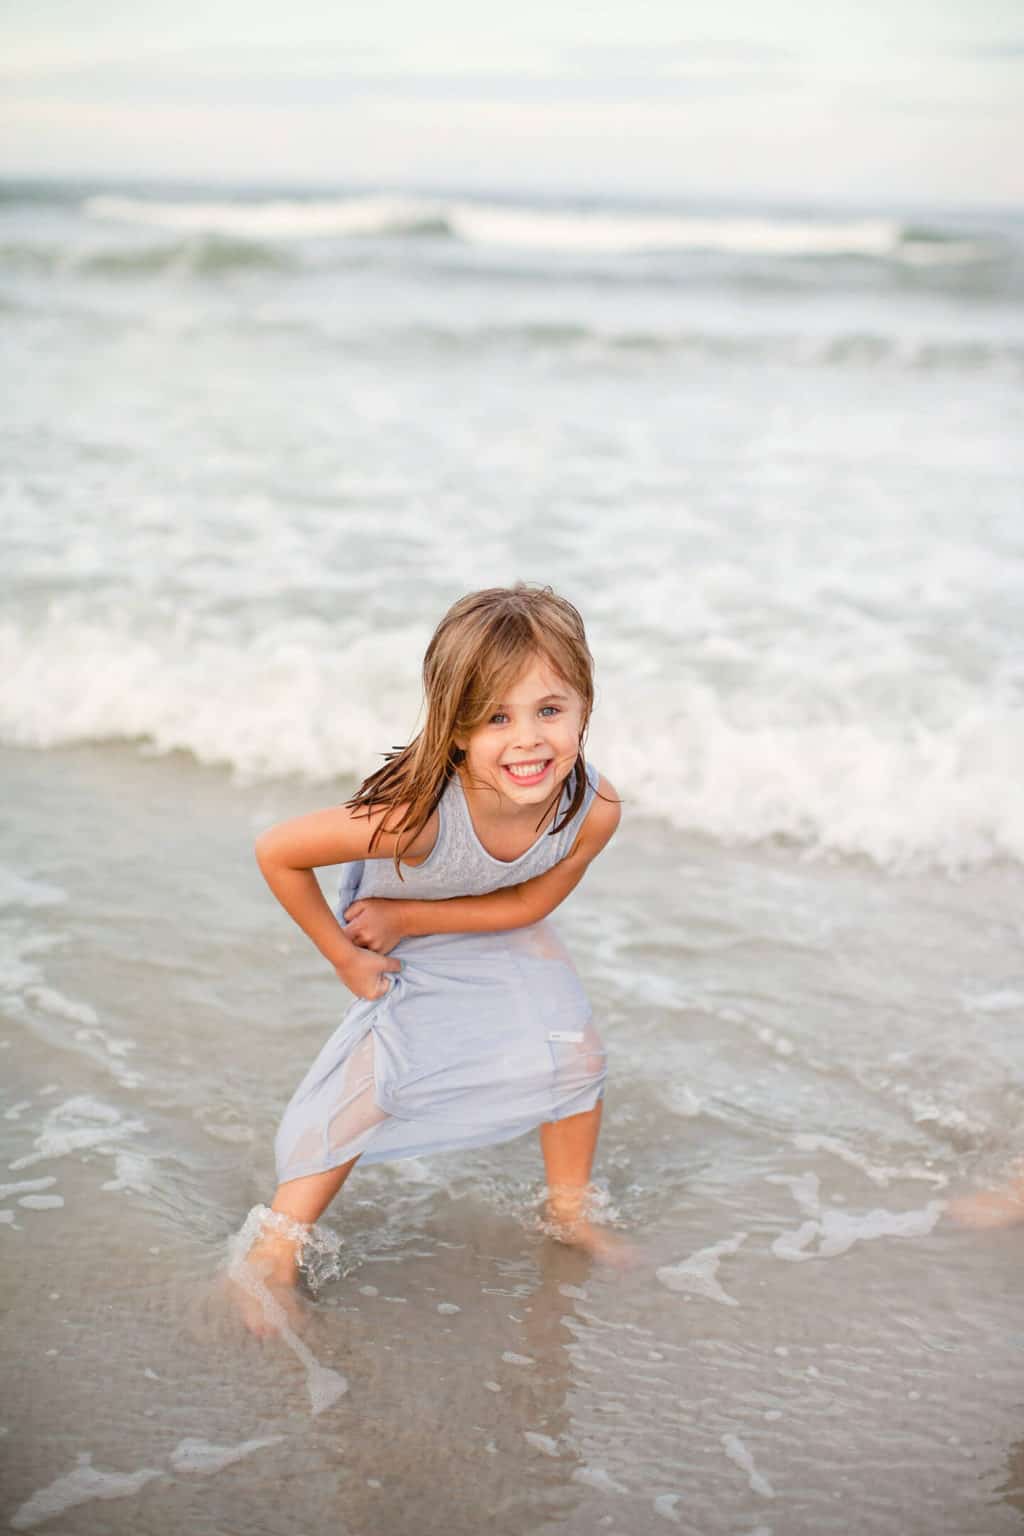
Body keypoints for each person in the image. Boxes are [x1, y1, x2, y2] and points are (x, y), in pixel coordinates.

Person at [224, 583, 627, 1336]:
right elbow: (276, 851)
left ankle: (568, 1211)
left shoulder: (591, 808)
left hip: (477, 914)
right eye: (497, 718)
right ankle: (270, 1252)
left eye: (550, 709)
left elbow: (531, 904)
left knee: (575, 1053)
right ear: (456, 726)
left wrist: (417, 912)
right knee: (375, 1083)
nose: (529, 740)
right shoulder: (412, 820)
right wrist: (345, 956)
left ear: (585, 705)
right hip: (395, 932)